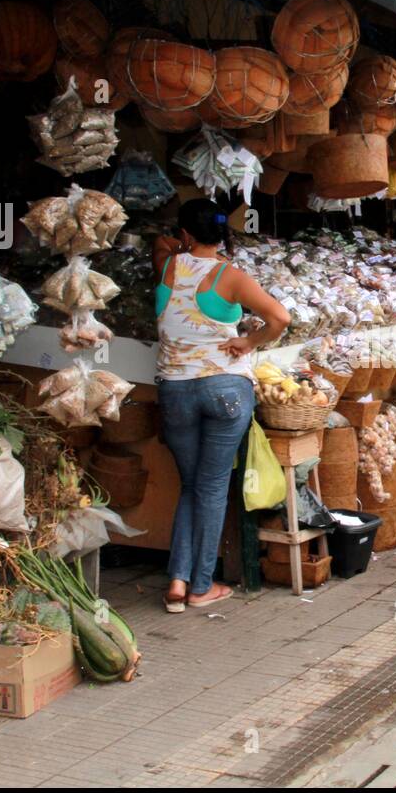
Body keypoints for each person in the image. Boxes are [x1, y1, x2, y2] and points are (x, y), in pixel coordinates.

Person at [154, 200, 290, 612]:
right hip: (225, 390)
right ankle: (199, 587)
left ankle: (177, 582)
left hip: (175, 389)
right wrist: (248, 341)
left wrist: (178, 241)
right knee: (212, 487)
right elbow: (280, 317)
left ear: (185, 235)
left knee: (191, 485)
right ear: (224, 235)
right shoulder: (229, 276)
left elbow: (159, 245)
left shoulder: (167, 267)